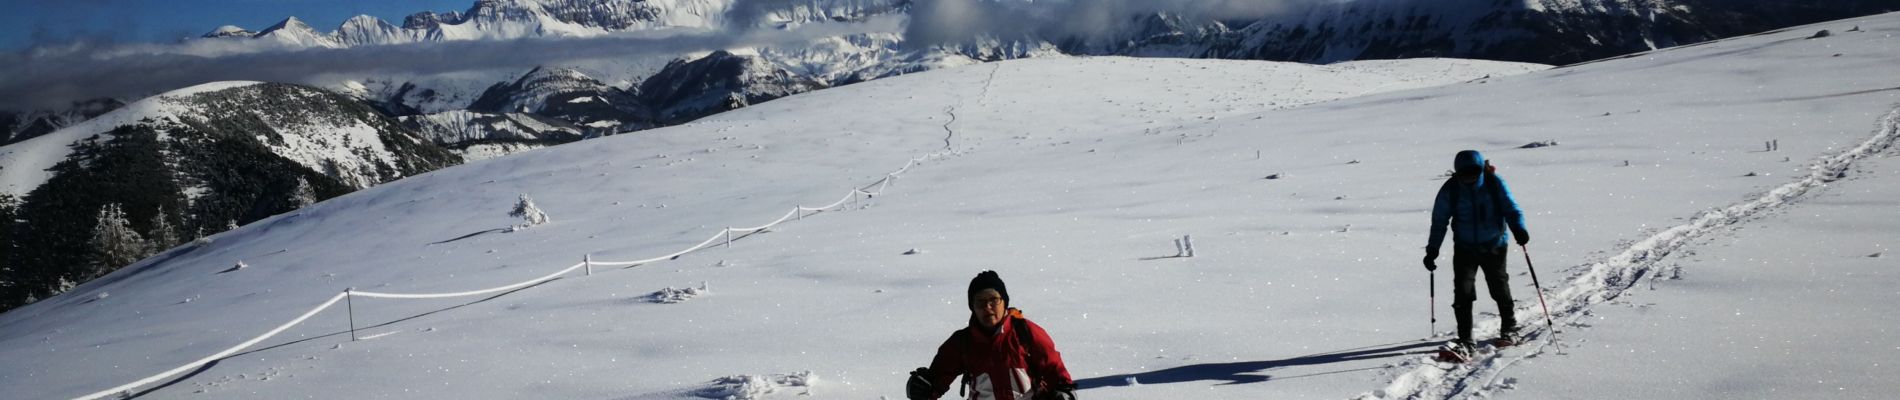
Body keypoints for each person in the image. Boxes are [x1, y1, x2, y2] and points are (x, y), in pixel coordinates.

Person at [1424, 150, 1530, 357]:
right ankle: (1465, 339)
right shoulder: (1451, 190)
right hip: (1465, 247)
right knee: (1463, 292)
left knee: (1498, 286)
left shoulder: (1494, 183)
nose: (1470, 177)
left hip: (1495, 245)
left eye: (1474, 172)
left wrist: (1519, 228)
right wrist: (1432, 250)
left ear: (1481, 169)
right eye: (1465, 173)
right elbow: (1439, 221)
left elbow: (1512, 208)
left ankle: (1510, 328)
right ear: (1457, 173)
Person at [907, 271, 1076, 400]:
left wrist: (1064, 393)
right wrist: (922, 388)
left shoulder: (1026, 332)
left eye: (993, 299)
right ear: (972, 307)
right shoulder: (963, 342)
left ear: (1004, 302)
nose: (987, 307)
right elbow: (935, 380)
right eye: (980, 301)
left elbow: (1056, 373)